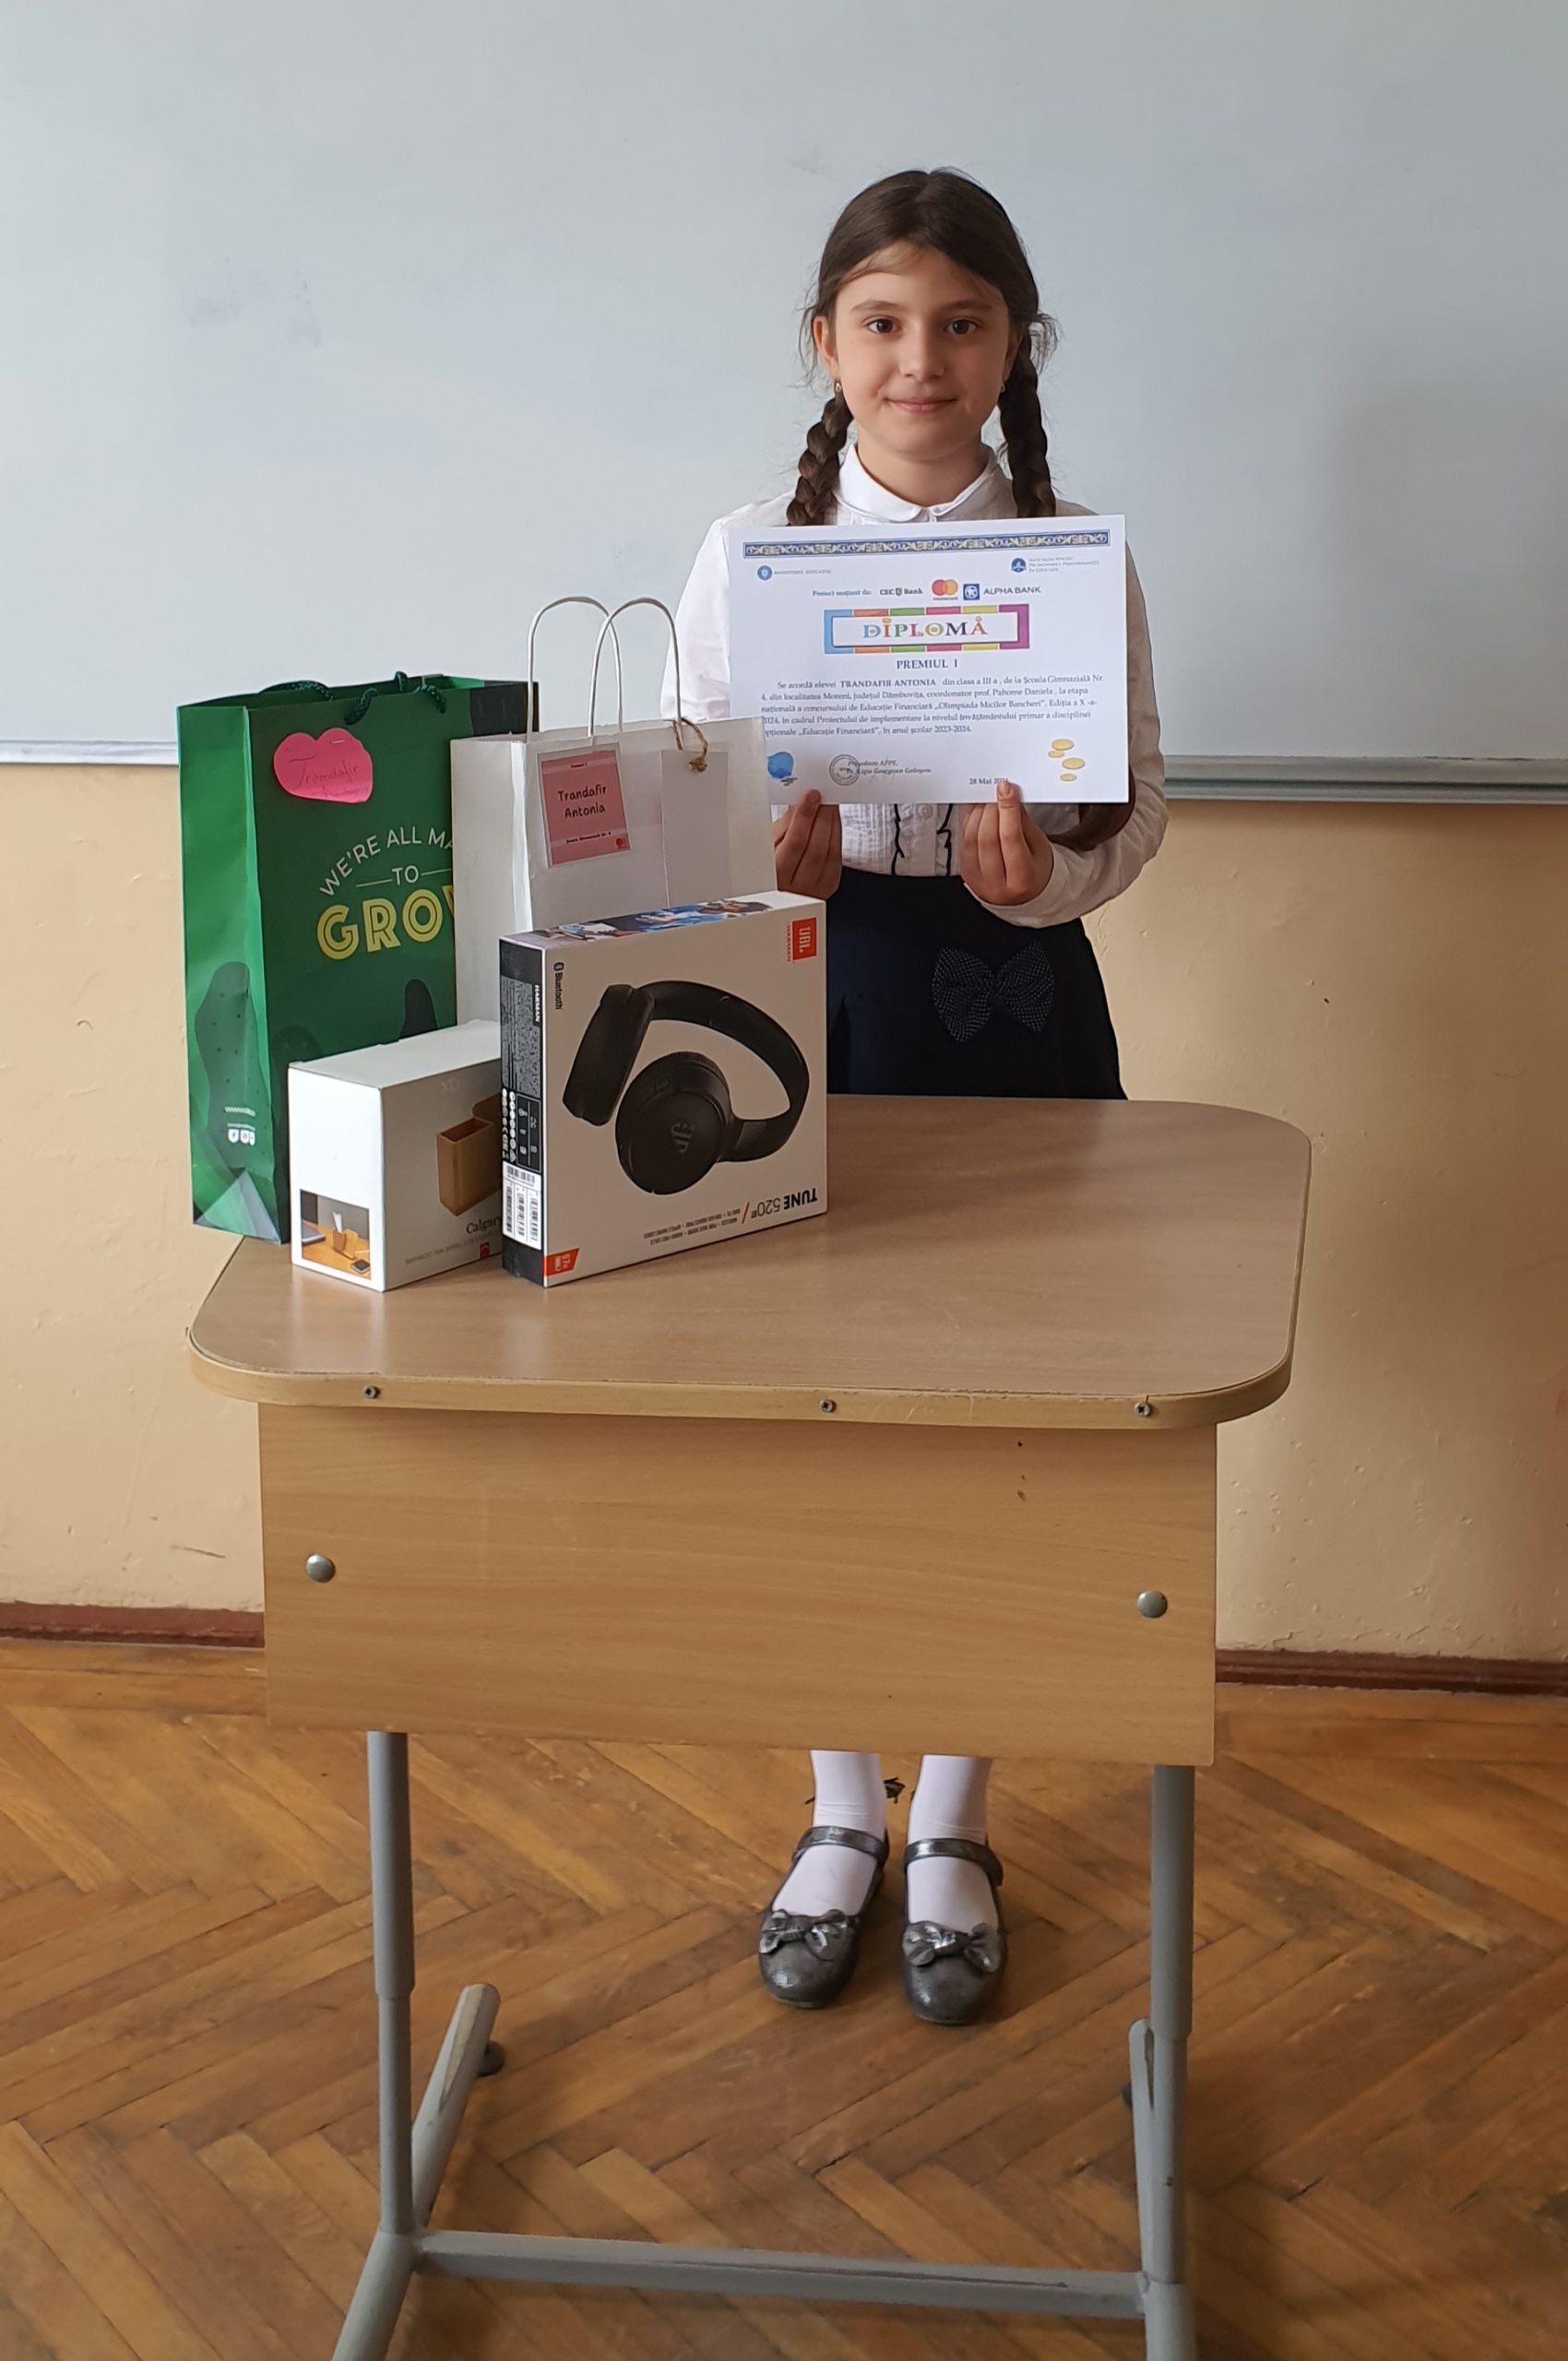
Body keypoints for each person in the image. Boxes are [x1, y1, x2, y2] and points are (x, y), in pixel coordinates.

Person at [662, 168, 1166, 2026]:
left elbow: (1139, 808)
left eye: (961, 323)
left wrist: (1046, 879)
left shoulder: (1074, 556)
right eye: (882, 322)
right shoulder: (746, 551)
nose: (920, 359)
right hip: (803, 1006)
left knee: (1002, 1419)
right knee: (812, 1419)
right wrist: (762, 871)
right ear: (826, 344)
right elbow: (689, 819)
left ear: (1015, 345)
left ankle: (953, 1812)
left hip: (1016, 1002)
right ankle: (835, 1806)